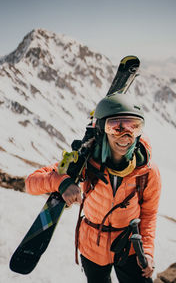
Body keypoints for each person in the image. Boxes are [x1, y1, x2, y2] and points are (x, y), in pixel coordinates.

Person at [26, 93, 161, 283]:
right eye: (116, 127)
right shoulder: (85, 162)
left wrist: (147, 252)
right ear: (101, 129)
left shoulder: (146, 171)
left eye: (134, 127)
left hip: (130, 247)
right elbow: (31, 182)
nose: (126, 136)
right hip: (92, 248)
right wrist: (62, 182)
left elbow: (149, 214)